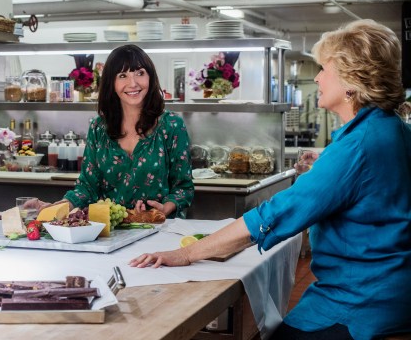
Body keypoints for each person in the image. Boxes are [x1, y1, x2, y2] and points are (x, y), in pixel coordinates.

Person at [130, 19, 411, 340]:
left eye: (324, 68)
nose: (317, 77)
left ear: (351, 78)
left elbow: (276, 214)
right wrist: (322, 170)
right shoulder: (392, 129)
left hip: (360, 302)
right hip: (393, 290)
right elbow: (374, 192)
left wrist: (185, 254)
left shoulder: (357, 145)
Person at [36, 44, 194, 218]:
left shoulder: (171, 125)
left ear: (150, 77)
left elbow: (183, 188)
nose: (133, 83)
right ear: (112, 82)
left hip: (160, 231)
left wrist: (166, 207)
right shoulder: (99, 128)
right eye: (123, 75)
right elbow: (87, 187)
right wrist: (59, 206)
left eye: (140, 73)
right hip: (111, 233)